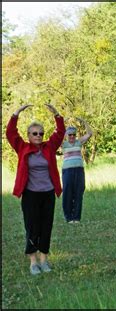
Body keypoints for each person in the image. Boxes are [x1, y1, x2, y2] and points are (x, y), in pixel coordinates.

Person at [6, 103, 65, 275]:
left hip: (47, 194)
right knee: (32, 227)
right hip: (30, 194)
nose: (38, 136)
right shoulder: (22, 147)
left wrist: (56, 114)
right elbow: (10, 133)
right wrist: (16, 114)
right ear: (29, 135)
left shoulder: (49, 147)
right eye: (35, 133)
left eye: (41, 133)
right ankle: (33, 262)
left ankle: (44, 260)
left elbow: (60, 133)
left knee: (46, 226)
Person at [61, 117, 93, 224]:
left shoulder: (79, 142)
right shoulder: (63, 144)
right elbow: (55, 137)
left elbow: (89, 133)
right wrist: (61, 123)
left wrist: (84, 122)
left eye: (73, 135)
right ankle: (69, 217)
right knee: (67, 193)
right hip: (67, 171)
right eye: (69, 135)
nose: (72, 137)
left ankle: (76, 218)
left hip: (79, 171)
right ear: (66, 135)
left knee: (79, 192)